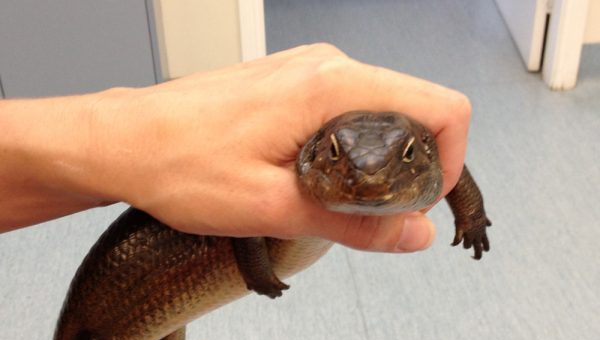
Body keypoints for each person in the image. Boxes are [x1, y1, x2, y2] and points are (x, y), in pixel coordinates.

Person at [0, 43, 471, 253]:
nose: (368, 176)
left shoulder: (424, 162)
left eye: (407, 155)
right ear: (314, 151)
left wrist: (471, 213)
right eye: (334, 154)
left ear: (420, 152)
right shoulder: (301, 161)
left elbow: (454, 175)